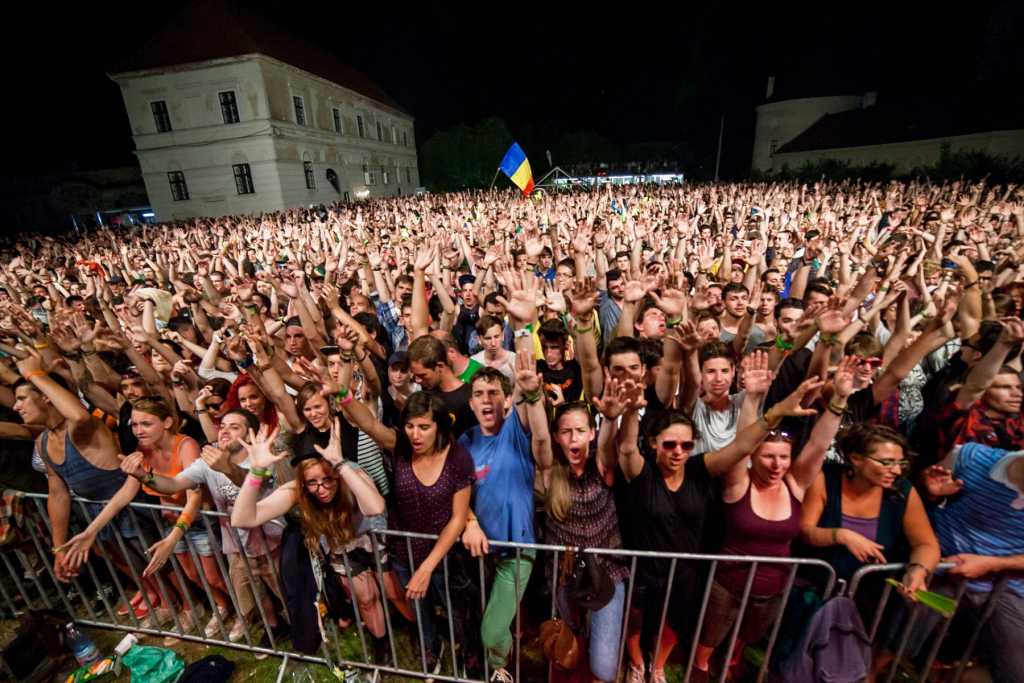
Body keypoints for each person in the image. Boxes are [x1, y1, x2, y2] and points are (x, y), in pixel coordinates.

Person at [613, 353, 833, 683]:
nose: (678, 452)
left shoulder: (700, 469)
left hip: (687, 568)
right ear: (654, 444)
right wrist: (631, 412)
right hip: (645, 568)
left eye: (686, 445)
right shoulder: (641, 472)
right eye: (669, 444)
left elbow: (742, 447)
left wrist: (774, 411)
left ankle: (657, 665)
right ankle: (636, 663)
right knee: (637, 619)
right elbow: (627, 449)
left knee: (676, 621)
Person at [60, 396, 232, 634]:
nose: (139, 431)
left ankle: (242, 609)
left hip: (197, 522)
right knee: (193, 575)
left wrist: (171, 539)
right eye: (134, 425)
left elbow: (194, 498)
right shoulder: (142, 451)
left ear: (167, 422)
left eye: (146, 424)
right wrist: (91, 531)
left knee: (214, 577)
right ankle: (222, 607)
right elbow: (124, 493)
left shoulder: (186, 446)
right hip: (169, 524)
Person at [119, 408, 287, 643]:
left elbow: (252, 483)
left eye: (234, 427)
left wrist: (227, 468)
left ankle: (304, 626)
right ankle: (274, 626)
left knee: (285, 590)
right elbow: (173, 484)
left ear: (249, 435)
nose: (225, 431)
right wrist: (144, 476)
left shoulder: (262, 457)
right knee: (253, 593)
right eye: (223, 426)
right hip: (237, 545)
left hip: (272, 542)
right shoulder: (207, 462)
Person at [337, 390, 475, 674]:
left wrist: (426, 568)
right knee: (418, 607)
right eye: (410, 426)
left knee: (455, 609)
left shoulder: (458, 457)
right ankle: (429, 646)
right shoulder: (401, 446)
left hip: (444, 555)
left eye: (424, 427)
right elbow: (369, 424)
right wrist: (343, 395)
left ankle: (467, 650)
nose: (415, 434)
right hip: (404, 550)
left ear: (439, 426)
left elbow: (458, 518)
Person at [230, 421, 389, 658]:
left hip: (375, 537)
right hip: (343, 546)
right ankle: (382, 646)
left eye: (328, 480)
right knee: (366, 598)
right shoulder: (298, 489)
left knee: (394, 593)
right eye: (312, 483)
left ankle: (420, 636)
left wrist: (341, 466)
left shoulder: (351, 473)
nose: (321, 489)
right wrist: (255, 472)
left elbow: (375, 507)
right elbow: (242, 518)